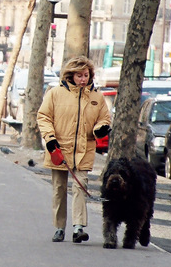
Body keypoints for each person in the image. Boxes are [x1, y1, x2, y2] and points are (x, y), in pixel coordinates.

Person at [37, 56, 111, 244]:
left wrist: (100, 128)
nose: (83, 79)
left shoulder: (96, 96)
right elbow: (44, 116)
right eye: (79, 76)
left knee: (80, 185)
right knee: (59, 189)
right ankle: (59, 227)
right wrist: (50, 139)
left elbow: (104, 118)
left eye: (86, 75)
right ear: (71, 75)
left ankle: (78, 227)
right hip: (59, 149)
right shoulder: (55, 94)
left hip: (84, 149)